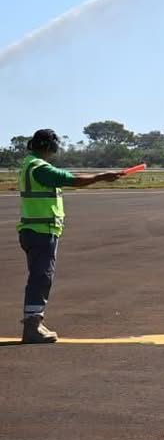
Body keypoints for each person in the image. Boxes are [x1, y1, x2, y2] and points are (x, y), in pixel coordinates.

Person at [17, 129, 123, 343]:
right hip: (41, 231)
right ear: (50, 146)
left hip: (34, 229)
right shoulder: (40, 168)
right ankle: (32, 326)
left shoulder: (30, 164)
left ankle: (34, 322)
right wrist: (101, 177)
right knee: (41, 277)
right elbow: (72, 180)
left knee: (39, 276)